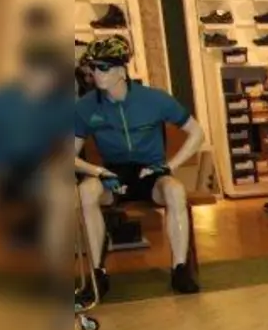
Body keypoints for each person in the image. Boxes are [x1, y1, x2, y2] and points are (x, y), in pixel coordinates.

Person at [73, 37, 205, 299]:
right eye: (92, 67)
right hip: (113, 174)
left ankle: (179, 269)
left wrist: (169, 166)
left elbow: (197, 133)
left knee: (175, 191)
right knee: (86, 191)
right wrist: (98, 172)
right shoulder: (85, 106)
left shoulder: (154, 99)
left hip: (150, 174)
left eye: (103, 67)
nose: (95, 73)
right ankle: (98, 273)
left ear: (122, 70)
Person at [0, 22, 74, 291]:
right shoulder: (0, 97)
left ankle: (52, 273)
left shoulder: (61, 105)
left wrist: (57, 166)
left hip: (37, 173)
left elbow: (69, 142)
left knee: (60, 198)